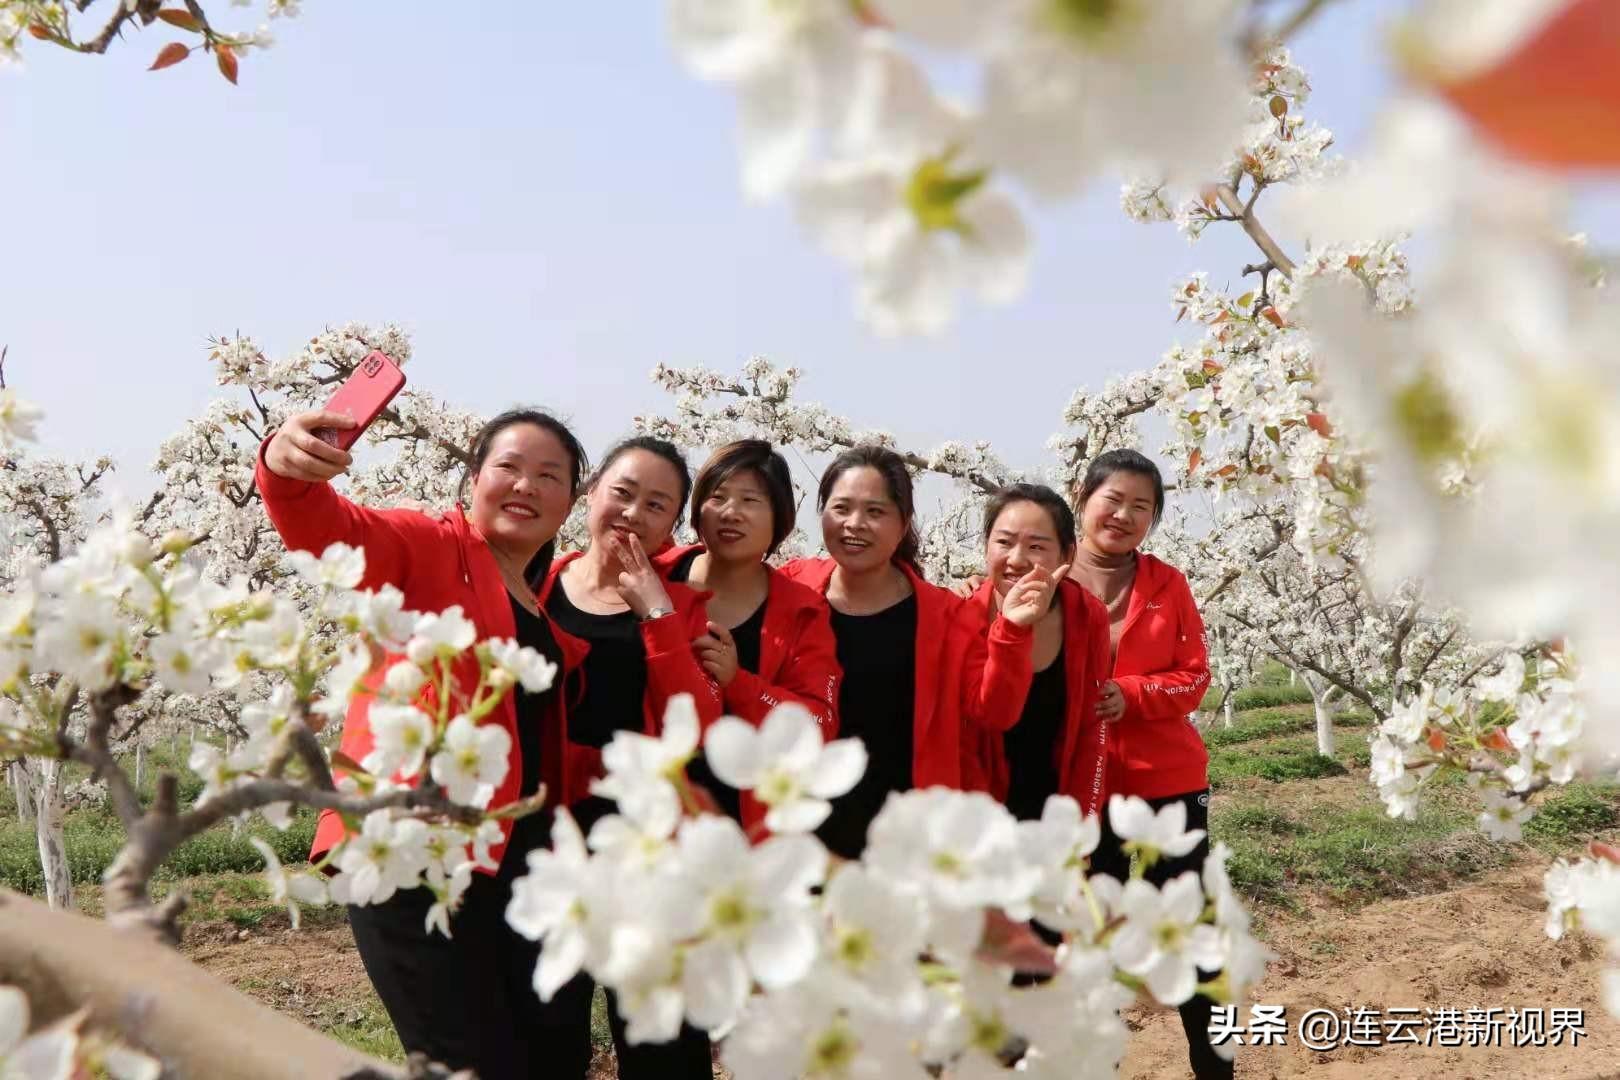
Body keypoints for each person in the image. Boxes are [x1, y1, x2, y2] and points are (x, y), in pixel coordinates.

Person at [257, 405, 595, 1080]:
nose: (526, 486)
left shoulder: (541, 598)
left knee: (547, 1057)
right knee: (471, 1064)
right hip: (410, 857)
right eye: (508, 467)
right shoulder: (426, 545)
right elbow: (328, 527)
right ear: (473, 478)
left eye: (549, 476)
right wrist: (284, 468)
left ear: (570, 500)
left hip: (507, 867)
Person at [535, 434, 720, 1079]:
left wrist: (656, 613)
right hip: (545, 836)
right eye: (623, 492)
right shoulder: (537, 584)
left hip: (643, 846)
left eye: (657, 505)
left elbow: (696, 724)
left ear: (673, 525)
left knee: (657, 1037)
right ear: (590, 493)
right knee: (546, 1028)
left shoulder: (687, 607)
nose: (634, 513)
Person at [779, 445, 1036, 859]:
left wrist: (1013, 630)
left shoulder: (947, 615)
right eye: (840, 508)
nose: (854, 524)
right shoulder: (791, 588)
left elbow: (994, 711)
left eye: (875, 512)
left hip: (906, 830)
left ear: (903, 525)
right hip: (799, 827)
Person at [1072, 449, 1223, 1080]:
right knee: (1081, 936)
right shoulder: (1045, 576)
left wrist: (1129, 694)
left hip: (1165, 784)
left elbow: (1193, 679)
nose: (1124, 515)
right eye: (1113, 500)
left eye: (1142, 507)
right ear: (1083, 499)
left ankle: (1216, 1068)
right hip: (1078, 787)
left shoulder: (1168, 584)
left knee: (1191, 936)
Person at [651, 438, 841, 826]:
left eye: (751, 501)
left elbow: (819, 723)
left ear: (780, 518)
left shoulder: (802, 610)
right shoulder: (652, 578)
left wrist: (740, 683)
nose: (731, 513)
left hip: (747, 821)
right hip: (651, 806)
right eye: (717, 497)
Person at [959, 483, 1113, 823]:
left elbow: (1092, 728)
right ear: (985, 547)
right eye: (1003, 542)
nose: (1016, 559)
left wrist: (1082, 826)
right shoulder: (961, 615)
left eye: (1036, 546)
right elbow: (972, 729)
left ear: (1067, 556)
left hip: (1055, 809)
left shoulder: (1088, 615)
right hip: (977, 816)